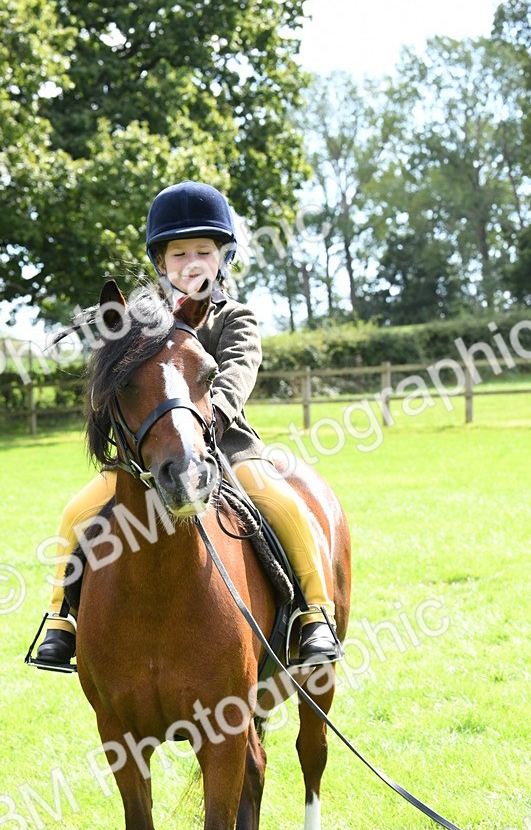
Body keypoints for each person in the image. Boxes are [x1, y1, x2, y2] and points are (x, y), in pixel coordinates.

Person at [32, 180, 342, 670]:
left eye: (204, 250)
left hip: (226, 445)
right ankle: (59, 622)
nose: (192, 262)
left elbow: (238, 373)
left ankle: (314, 614)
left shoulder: (236, 317)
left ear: (223, 258)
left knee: (283, 502)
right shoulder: (141, 322)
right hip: (150, 452)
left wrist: (205, 416)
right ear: (161, 262)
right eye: (180, 253)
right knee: (76, 511)